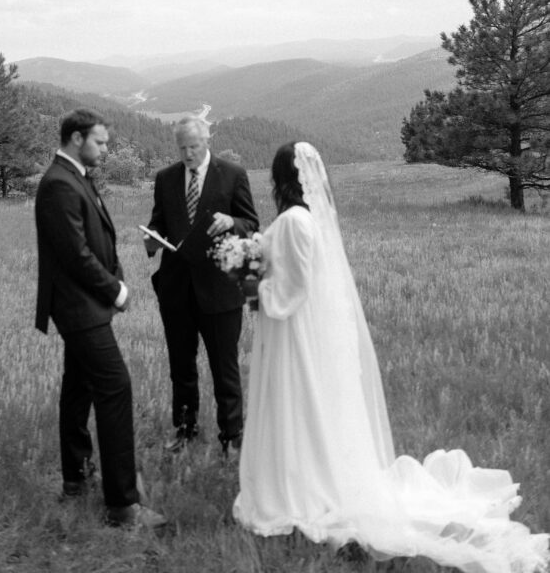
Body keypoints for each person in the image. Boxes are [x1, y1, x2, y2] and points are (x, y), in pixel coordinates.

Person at [234, 141, 548, 572]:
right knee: (309, 409)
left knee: (295, 406)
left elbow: (293, 289)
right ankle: (315, 478)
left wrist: (255, 287)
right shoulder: (310, 219)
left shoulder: (292, 221)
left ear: (280, 178)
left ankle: (298, 490)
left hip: (294, 336)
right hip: (305, 332)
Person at [35, 108, 166, 530]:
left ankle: (76, 478)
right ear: (77, 138)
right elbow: (76, 254)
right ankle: (123, 505)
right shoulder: (59, 184)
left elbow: (99, 237)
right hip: (78, 307)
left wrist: (117, 276)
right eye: (100, 142)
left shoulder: (75, 177)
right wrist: (116, 290)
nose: (106, 150)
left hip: (83, 305)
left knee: (78, 389)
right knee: (115, 386)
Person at [145, 115, 259, 453]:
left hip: (220, 290)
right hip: (176, 290)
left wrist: (232, 221)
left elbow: (251, 223)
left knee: (224, 368)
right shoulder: (166, 178)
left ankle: (232, 437)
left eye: (193, 146)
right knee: (181, 367)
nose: (188, 154)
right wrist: (152, 239)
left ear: (207, 140)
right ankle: (185, 430)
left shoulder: (232, 174)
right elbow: (159, 222)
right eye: (181, 148)